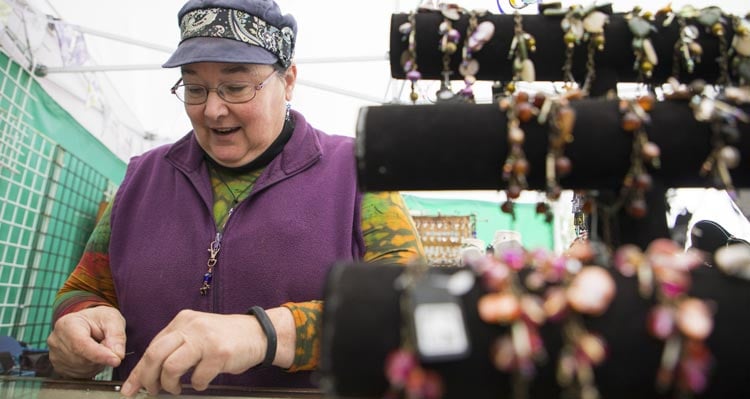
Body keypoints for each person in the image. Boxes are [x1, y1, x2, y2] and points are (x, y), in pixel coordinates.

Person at [45, 0, 425, 396]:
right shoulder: (142, 177)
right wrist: (81, 320)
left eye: (237, 87)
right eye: (194, 88)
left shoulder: (358, 173)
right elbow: (84, 289)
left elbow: (409, 307)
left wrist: (266, 334)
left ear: (289, 80)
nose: (212, 110)